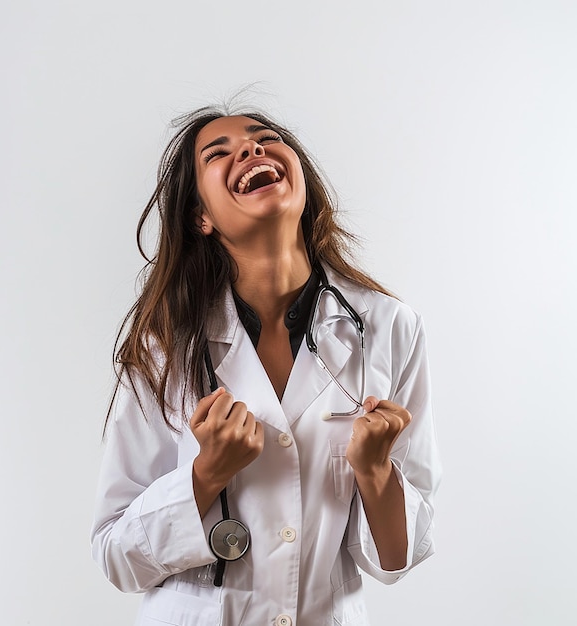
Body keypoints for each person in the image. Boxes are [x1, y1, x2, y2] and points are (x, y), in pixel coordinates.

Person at [91, 102, 441, 626]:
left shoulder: (390, 327)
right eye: (219, 152)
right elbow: (115, 555)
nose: (252, 150)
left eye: (264, 138)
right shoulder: (164, 344)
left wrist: (375, 471)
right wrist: (206, 474)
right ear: (200, 217)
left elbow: (397, 558)